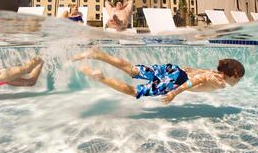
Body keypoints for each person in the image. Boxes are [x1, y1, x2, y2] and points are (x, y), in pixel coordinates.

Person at [73, 48, 245, 104]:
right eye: (239, 78)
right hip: (177, 80)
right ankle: (99, 77)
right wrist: (173, 93)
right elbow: (195, 80)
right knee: (135, 91)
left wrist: (183, 70)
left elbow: (195, 72)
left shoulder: (214, 72)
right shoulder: (218, 81)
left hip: (174, 70)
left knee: (133, 70)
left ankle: (98, 54)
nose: (238, 82)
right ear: (234, 74)